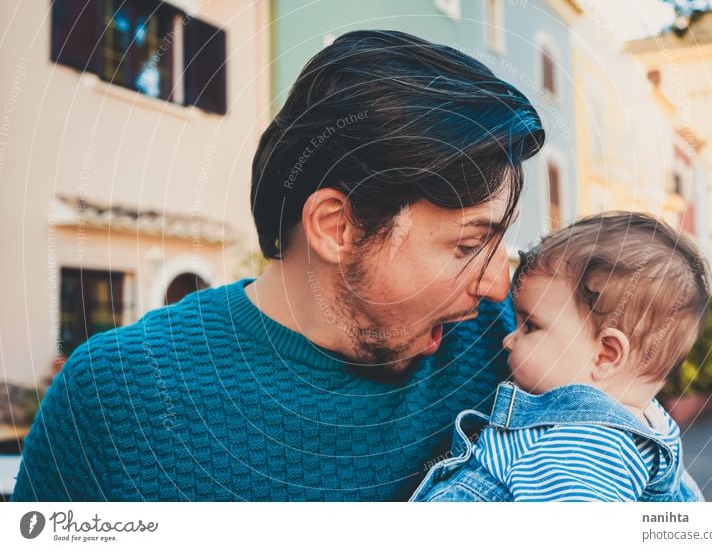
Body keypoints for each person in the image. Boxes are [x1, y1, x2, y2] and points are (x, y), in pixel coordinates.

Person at [11, 30, 545, 501]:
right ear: (337, 227)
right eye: (467, 244)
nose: (499, 284)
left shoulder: (519, 348)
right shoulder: (116, 396)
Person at [411, 212, 710, 502]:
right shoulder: (652, 433)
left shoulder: (585, 447)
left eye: (530, 325)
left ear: (606, 353)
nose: (507, 339)